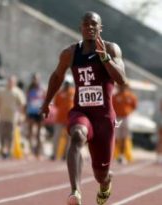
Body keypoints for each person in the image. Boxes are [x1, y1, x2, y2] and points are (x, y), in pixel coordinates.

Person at [40, 11, 126, 205]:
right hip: (82, 112)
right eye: (86, 24)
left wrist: (105, 59)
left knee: (100, 174)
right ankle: (75, 192)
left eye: (94, 24)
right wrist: (46, 102)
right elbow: (57, 76)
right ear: (80, 28)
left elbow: (122, 79)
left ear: (100, 28)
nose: (90, 27)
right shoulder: (70, 53)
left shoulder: (111, 49)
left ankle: (105, 183)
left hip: (104, 117)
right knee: (77, 135)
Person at [0, 75, 26, 159]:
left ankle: (8, 151)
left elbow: (22, 105)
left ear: (14, 83)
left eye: (12, 81)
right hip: (2, 116)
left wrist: (21, 116)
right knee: (1, 134)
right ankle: (3, 149)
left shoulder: (17, 92)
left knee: (10, 136)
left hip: (12, 118)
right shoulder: (1, 91)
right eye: (9, 81)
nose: (10, 83)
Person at [113, 84, 137, 164]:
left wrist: (128, 112)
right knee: (115, 138)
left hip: (126, 118)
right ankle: (114, 155)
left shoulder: (130, 96)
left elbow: (134, 105)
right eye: (121, 86)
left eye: (123, 86)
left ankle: (121, 156)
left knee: (124, 138)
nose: (121, 87)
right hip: (117, 118)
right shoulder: (115, 96)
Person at [51, 80, 75, 161]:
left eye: (68, 84)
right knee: (56, 136)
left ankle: (65, 155)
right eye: (66, 84)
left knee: (69, 138)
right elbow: (56, 104)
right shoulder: (59, 93)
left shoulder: (73, 92)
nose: (67, 86)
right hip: (60, 119)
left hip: (70, 119)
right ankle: (54, 154)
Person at [26, 73, 46, 159]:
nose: (35, 80)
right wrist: (26, 113)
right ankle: (31, 151)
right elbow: (27, 101)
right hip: (31, 112)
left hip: (39, 113)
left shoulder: (42, 89)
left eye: (37, 79)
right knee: (30, 132)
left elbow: (46, 100)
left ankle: (37, 152)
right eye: (34, 79)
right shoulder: (29, 89)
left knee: (38, 133)